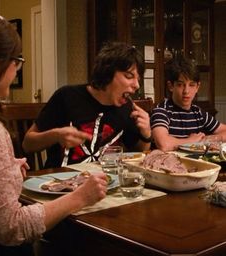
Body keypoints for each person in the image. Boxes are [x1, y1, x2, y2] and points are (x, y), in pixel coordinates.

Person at [0, 11, 107, 256]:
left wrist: (8, 169)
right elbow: (11, 228)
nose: (17, 70)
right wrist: (80, 197)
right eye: (17, 61)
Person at [23, 41, 151, 168]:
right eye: (129, 76)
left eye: (138, 79)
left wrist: (146, 134)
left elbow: (138, 153)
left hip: (105, 182)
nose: (137, 85)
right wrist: (56, 135)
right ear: (107, 72)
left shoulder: (126, 107)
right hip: (60, 181)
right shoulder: (66, 96)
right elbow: (27, 144)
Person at [150, 56, 226, 152]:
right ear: (171, 86)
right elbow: (163, 144)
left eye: (191, 85)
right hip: (167, 165)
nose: (186, 91)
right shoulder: (161, 111)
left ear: (197, 87)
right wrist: (191, 141)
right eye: (180, 85)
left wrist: (212, 139)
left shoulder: (198, 112)